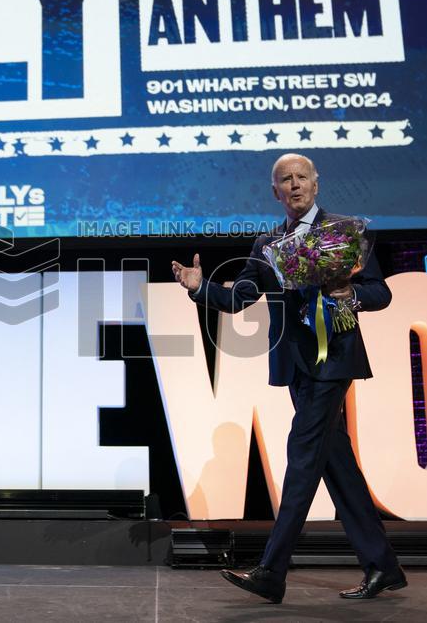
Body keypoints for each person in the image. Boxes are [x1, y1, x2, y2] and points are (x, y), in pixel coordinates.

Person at [170, 153, 405, 604]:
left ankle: (271, 572)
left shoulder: (343, 232)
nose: (295, 185)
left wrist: (350, 293)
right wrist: (200, 287)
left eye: (301, 177)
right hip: (294, 366)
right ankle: (384, 567)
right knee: (336, 465)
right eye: (285, 180)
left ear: (316, 184)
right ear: (275, 192)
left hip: (333, 360)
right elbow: (239, 297)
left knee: (301, 460)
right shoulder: (266, 244)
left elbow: (381, 292)